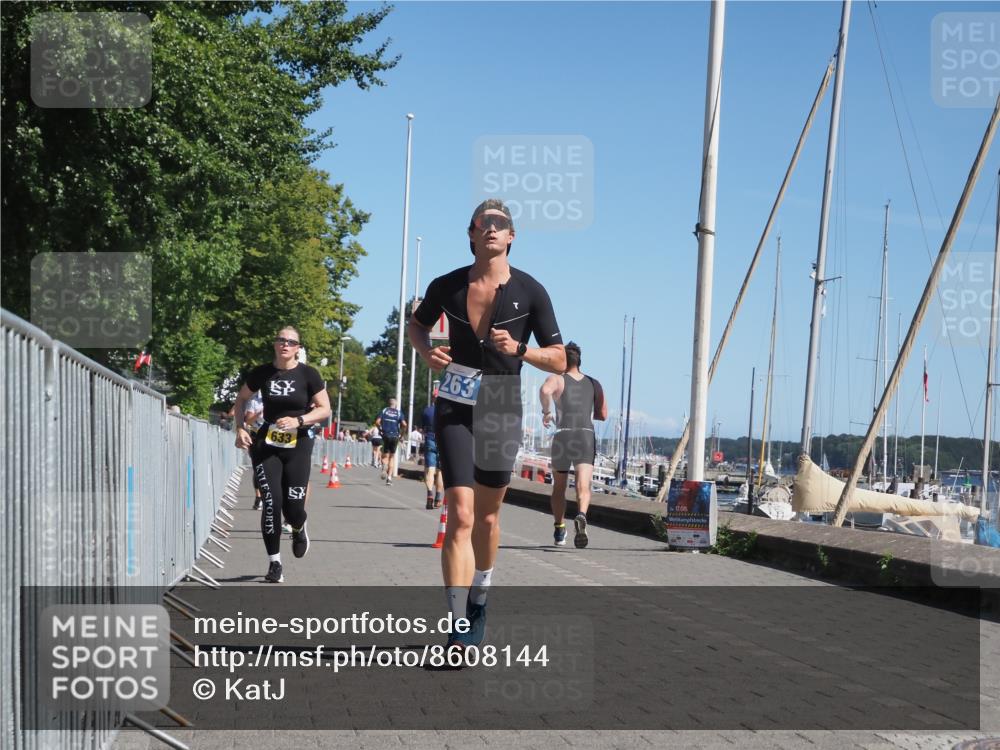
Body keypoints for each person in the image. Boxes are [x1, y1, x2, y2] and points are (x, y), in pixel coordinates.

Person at [408, 198, 565, 655]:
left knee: (489, 516)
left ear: (512, 236)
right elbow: (416, 326)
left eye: (501, 224)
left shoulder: (531, 291)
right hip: (454, 401)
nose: (492, 229)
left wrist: (520, 350)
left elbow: (558, 357)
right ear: (472, 233)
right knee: (459, 514)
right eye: (483, 223)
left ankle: (482, 589)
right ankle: (457, 627)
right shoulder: (448, 285)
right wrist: (426, 351)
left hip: (501, 402)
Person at [233, 326, 331, 583]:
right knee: (271, 502)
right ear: (275, 344)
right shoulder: (263, 373)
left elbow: (324, 409)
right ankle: (274, 563)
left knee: (293, 507)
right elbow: (241, 399)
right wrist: (240, 428)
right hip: (267, 443)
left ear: (298, 348)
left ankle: (299, 527)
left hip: (298, 443)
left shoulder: (308, 374)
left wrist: (299, 421)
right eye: (281, 340)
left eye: (291, 342)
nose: (285, 344)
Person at [539, 342, 608, 548]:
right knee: (583, 486)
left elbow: (544, 390)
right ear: (580, 361)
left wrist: (546, 412)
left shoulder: (557, 380)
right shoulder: (594, 383)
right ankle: (581, 514)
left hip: (563, 435)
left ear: (563, 360)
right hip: (585, 435)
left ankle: (560, 529)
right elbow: (603, 414)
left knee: (559, 487)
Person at [421, 389, 445, 509]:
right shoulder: (446, 411)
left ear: (432, 398)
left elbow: (423, 429)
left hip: (430, 439)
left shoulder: (427, 411)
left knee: (430, 470)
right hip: (442, 440)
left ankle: (430, 494)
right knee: (440, 471)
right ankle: (438, 498)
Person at [375, 397, 406, 485]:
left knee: (385, 456)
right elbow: (404, 424)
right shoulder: (399, 412)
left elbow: (377, 422)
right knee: (392, 457)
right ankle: (389, 478)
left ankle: (384, 466)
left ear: (389, 403)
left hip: (386, 434)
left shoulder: (384, 410)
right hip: (395, 436)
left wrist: (380, 429)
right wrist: (402, 434)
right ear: (395, 405)